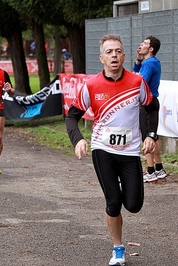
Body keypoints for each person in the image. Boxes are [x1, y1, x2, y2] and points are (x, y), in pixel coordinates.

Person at [65, 34, 159, 265]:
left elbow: (152, 107)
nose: (114, 55)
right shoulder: (92, 85)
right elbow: (71, 116)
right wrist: (78, 139)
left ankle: (120, 186)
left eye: (118, 51)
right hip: (102, 149)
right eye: (109, 52)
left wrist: (151, 135)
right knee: (113, 203)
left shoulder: (137, 83)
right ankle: (118, 248)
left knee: (134, 205)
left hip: (129, 152)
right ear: (102, 58)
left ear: (124, 56)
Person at [133, 36, 166, 183]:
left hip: (147, 103)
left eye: (145, 43)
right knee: (153, 136)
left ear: (151, 49)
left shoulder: (150, 63)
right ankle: (159, 168)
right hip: (152, 102)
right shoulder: (151, 62)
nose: (142, 45)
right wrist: (139, 61)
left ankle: (150, 171)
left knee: (147, 137)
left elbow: (140, 82)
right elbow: (138, 71)